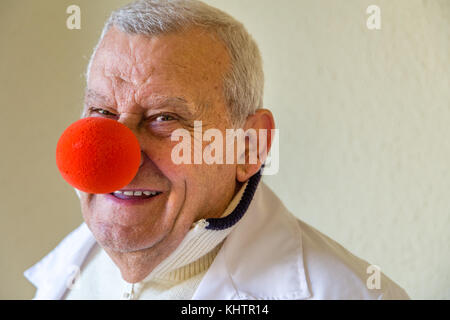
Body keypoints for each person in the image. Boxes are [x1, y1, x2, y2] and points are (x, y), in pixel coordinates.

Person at [24, 0, 409, 300]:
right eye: (103, 112)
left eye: (164, 117)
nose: (117, 156)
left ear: (248, 147)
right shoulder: (72, 268)